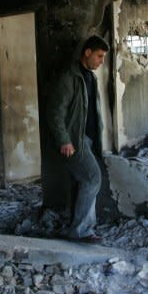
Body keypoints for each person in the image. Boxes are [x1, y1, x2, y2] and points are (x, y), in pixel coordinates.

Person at [46, 35, 109, 244]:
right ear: (87, 52)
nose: (101, 61)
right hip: (75, 140)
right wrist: (64, 140)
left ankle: (79, 227)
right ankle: (81, 230)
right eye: (99, 56)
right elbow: (55, 112)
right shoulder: (69, 77)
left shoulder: (90, 77)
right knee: (92, 178)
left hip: (88, 140)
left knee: (83, 181)